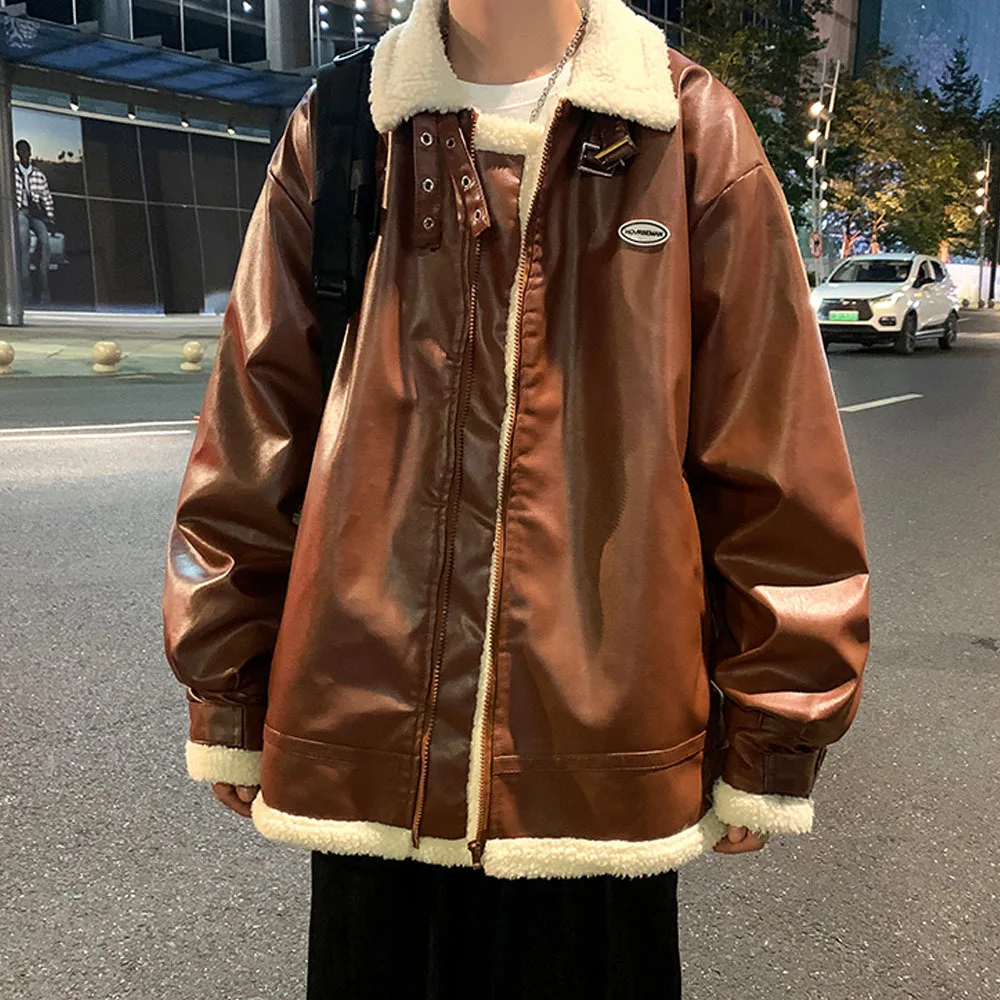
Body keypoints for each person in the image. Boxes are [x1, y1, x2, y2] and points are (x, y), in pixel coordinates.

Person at [162, 0, 870, 997]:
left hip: (598, 753)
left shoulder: (686, 129)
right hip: (371, 737)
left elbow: (769, 446)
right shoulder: (348, 122)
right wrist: (227, 687)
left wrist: (777, 722)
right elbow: (255, 423)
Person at [14, 139, 54, 306]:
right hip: (20, 211)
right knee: (23, 240)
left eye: (26, 150)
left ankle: (44, 289)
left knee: (45, 241)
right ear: (17, 153)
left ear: (30, 152)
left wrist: (50, 217)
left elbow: (46, 197)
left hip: (35, 214)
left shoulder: (38, 174)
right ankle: (26, 290)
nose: (24, 153)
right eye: (21, 151)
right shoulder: (12, 173)